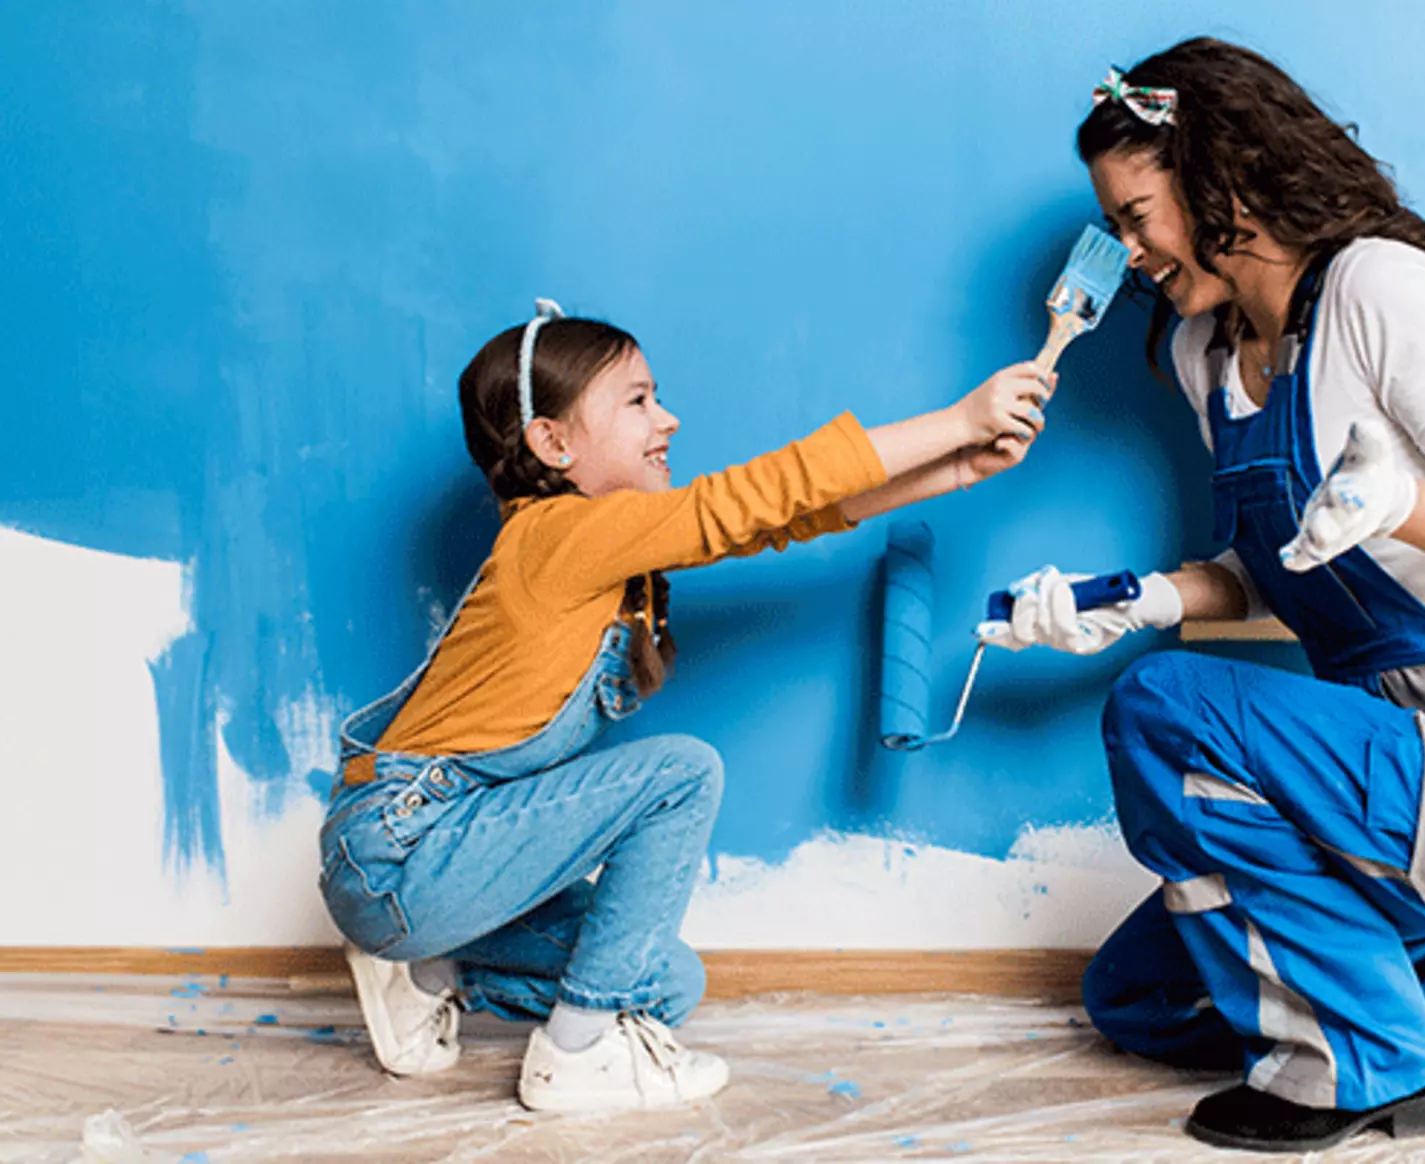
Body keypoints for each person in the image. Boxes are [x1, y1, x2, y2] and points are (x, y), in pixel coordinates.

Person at [981, 40, 1425, 1153]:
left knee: (1160, 708)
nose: (1127, 250)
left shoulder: (1382, 290)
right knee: (1142, 1000)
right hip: (1398, 779)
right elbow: (1280, 570)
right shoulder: (1210, 352)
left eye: (1139, 214)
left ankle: (1366, 1068)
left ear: (1222, 180)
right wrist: (1135, 599)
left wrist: (1398, 500)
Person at [320, 299, 1053, 1112]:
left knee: (663, 982)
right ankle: (575, 1058)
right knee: (680, 772)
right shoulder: (555, 537)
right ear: (552, 444)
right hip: (401, 853)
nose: (666, 418)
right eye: (636, 401)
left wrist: (955, 466)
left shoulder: (605, 552)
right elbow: (749, 499)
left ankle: (426, 972)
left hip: (439, 871)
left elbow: (776, 522)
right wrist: (956, 419)